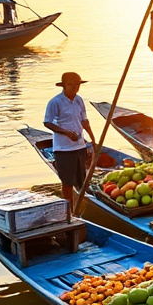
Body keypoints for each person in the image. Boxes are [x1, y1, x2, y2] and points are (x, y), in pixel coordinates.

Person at [44, 71, 96, 209]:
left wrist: (92, 139)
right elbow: (48, 123)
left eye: (77, 85)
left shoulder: (79, 100)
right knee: (67, 182)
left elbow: (84, 121)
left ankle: (82, 207)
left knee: (81, 180)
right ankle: (68, 210)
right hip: (63, 149)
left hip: (79, 146)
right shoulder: (55, 102)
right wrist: (66, 133)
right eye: (72, 85)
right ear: (64, 86)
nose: (75, 88)